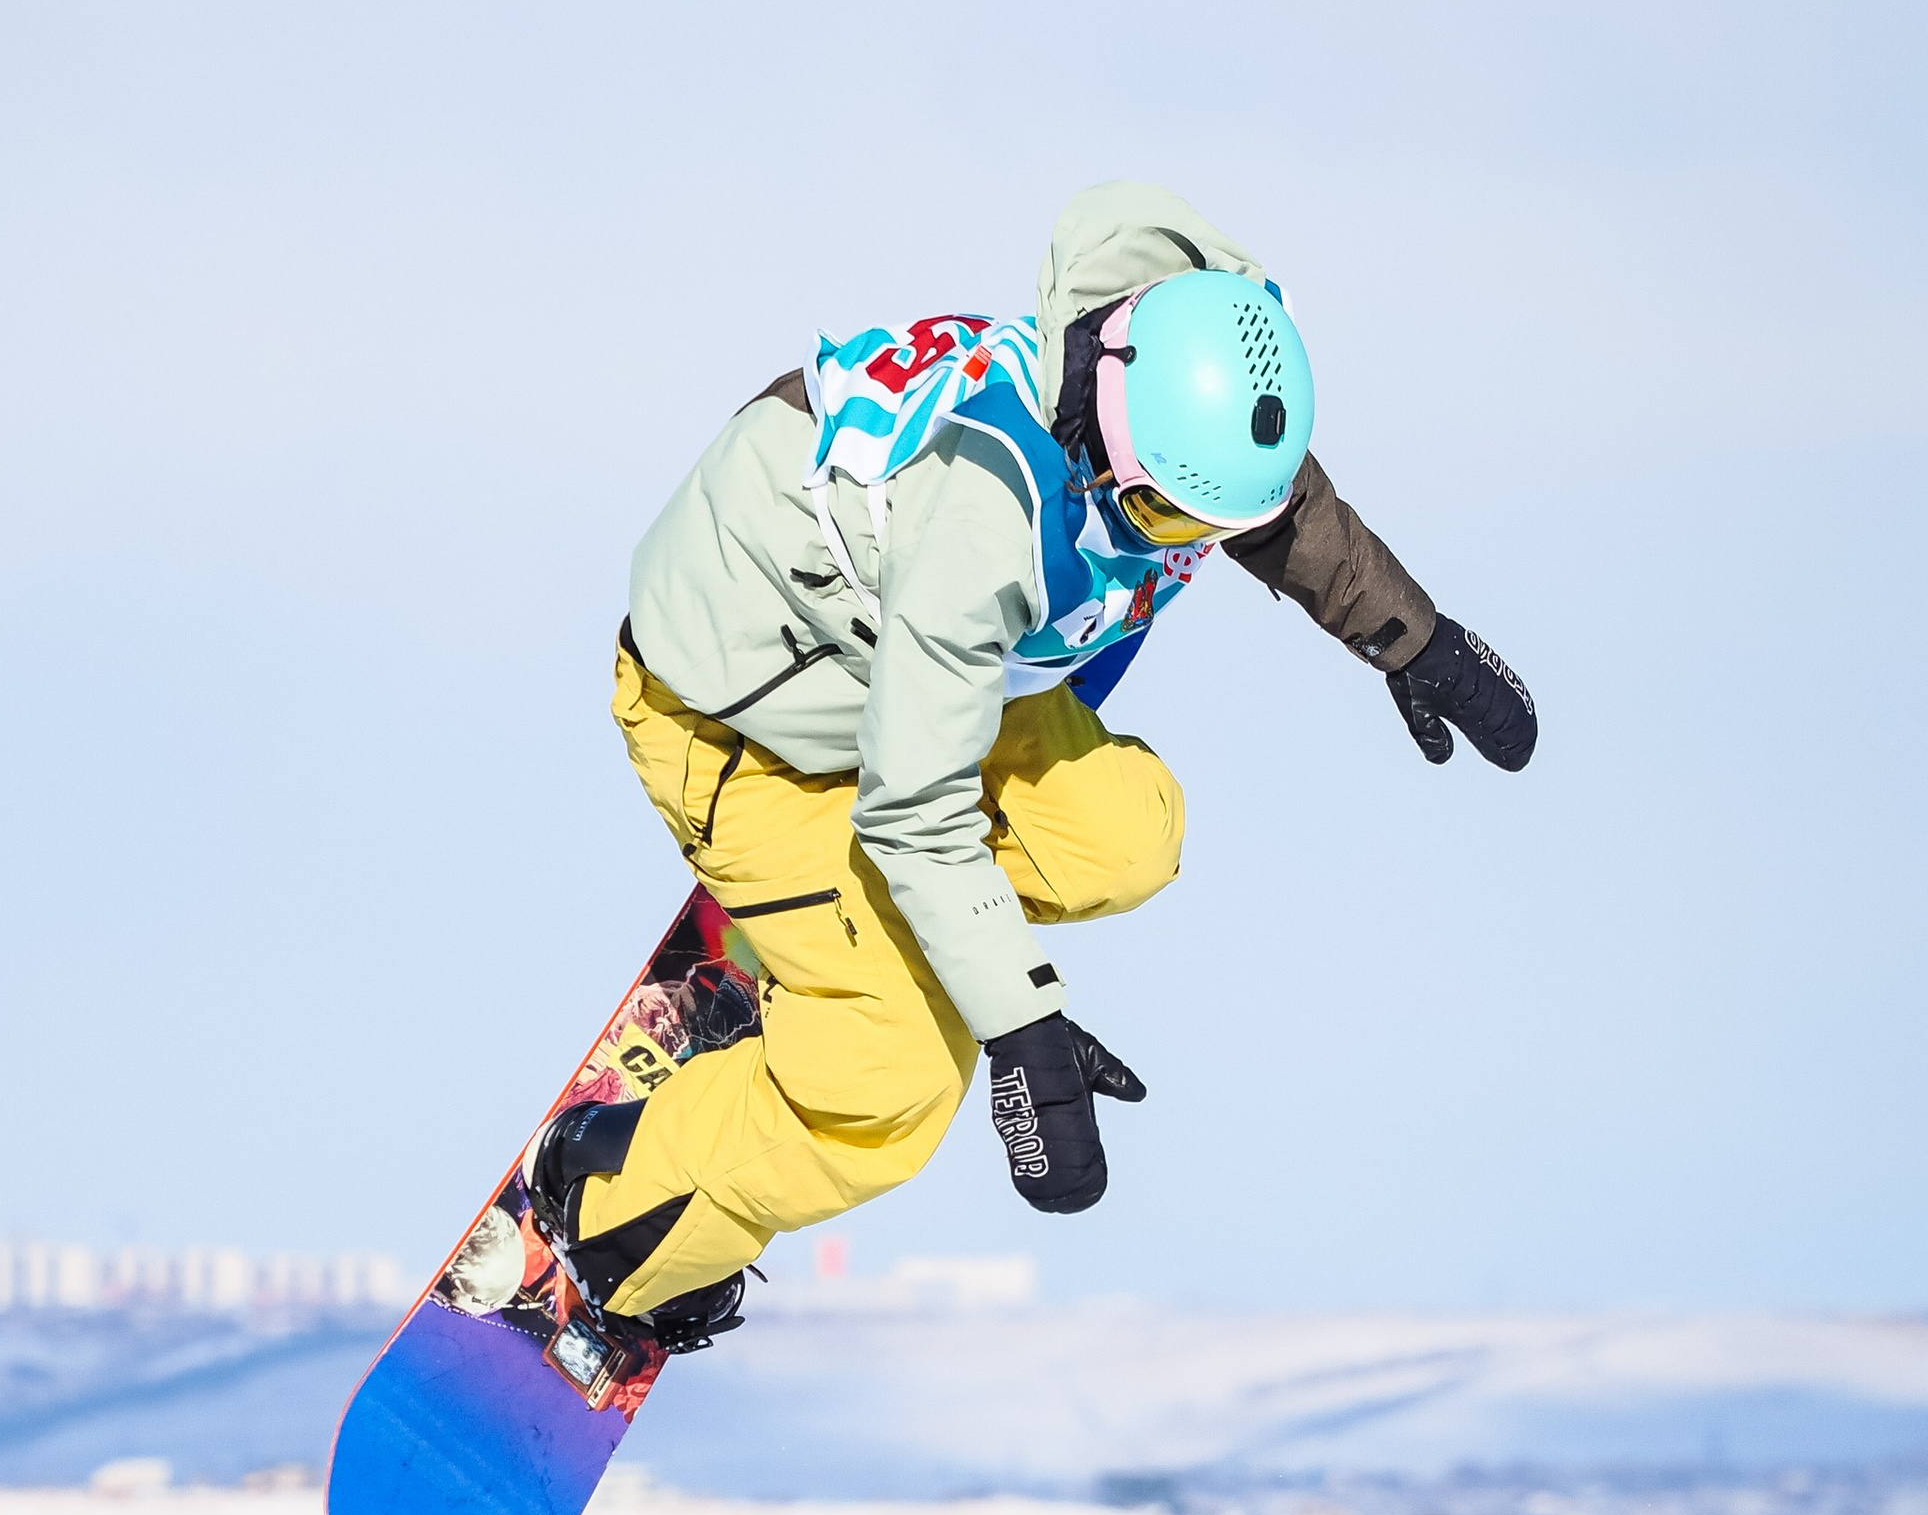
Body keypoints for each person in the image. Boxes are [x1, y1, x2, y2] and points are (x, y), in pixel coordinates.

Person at [529, 178, 1535, 1349]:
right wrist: (1019, 1029)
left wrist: (1408, 636)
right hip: (746, 726)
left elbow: (1254, 494)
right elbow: (912, 804)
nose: (1186, 542)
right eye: (1166, 519)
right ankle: (611, 1208)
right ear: (1115, 431)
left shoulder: (1161, 342)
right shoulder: (985, 514)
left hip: (902, 672)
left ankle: (890, 944)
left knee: (1123, 836)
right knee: (889, 1092)